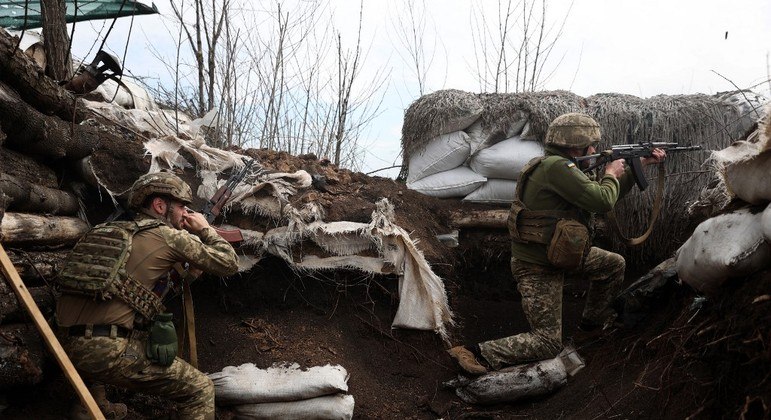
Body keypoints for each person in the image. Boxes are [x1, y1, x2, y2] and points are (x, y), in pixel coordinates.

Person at [448, 113, 666, 375]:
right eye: (591, 145)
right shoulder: (557, 168)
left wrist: (637, 167)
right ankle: (475, 352)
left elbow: (600, 195)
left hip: (563, 254)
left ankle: (589, 329)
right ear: (576, 145)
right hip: (538, 265)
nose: (595, 150)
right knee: (548, 342)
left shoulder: (563, 168)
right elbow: (602, 200)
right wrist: (610, 173)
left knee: (612, 265)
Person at [54, 171, 239, 419]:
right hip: (105, 352)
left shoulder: (104, 231)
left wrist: (189, 276)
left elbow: (135, 294)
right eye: (182, 207)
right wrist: (205, 230)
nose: (186, 213)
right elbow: (228, 262)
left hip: (62, 345)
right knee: (200, 389)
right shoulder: (169, 236)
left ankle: (91, 408)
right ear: (160, 205)